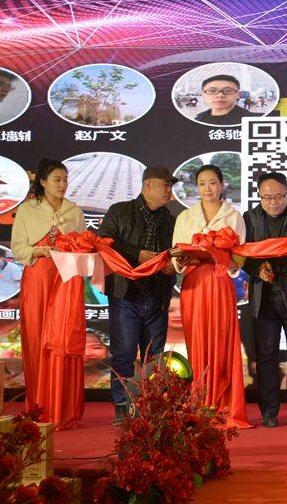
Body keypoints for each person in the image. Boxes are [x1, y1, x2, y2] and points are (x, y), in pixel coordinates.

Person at [172, 164, 250, 429]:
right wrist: (183, 259)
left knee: (222, 341)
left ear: (222, 185)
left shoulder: (233, 216)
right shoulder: (185, 217)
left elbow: (239, 256)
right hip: (194, 285)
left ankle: (226, 405)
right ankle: (199, 404)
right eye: (202, 183)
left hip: (220, 283)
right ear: (196, 187)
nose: (208, 188)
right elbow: (175, 255)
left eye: (213, 182)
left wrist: (224, 258)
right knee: (198, 341)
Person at [98, 166, 177, 425]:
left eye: (170, 186)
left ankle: (151, 406)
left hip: (157, 297)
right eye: (165, 185)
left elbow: (178, 253)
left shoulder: (171, 220)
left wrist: (174, 266)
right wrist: (137, 254)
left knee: (154, 357)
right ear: (147, 186)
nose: (169, 191)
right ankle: (122, 407)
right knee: (123, 354)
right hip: (126, 295)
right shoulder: (120, 211)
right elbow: (105, 243)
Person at [11, 158, 85, 411]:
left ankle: (64, 406)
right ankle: (39, 405)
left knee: (65, 338)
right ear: (42, 182)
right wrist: (39, 251)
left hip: (67, 280)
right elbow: (18, 248)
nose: (63, 184)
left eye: (65, 179)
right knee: (37, 337)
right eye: (57, 179)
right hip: (38, 279)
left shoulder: (74, 212)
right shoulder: (27, 210)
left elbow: (83, 248)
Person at [242, 172, 287, 428]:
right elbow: (242, 254)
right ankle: (269, 410)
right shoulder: (249, 219)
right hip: (263, 297)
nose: (273, 202)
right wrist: (257, 268)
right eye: (267, 197)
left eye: (278, 196)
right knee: (267, 356)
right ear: (259, 196)